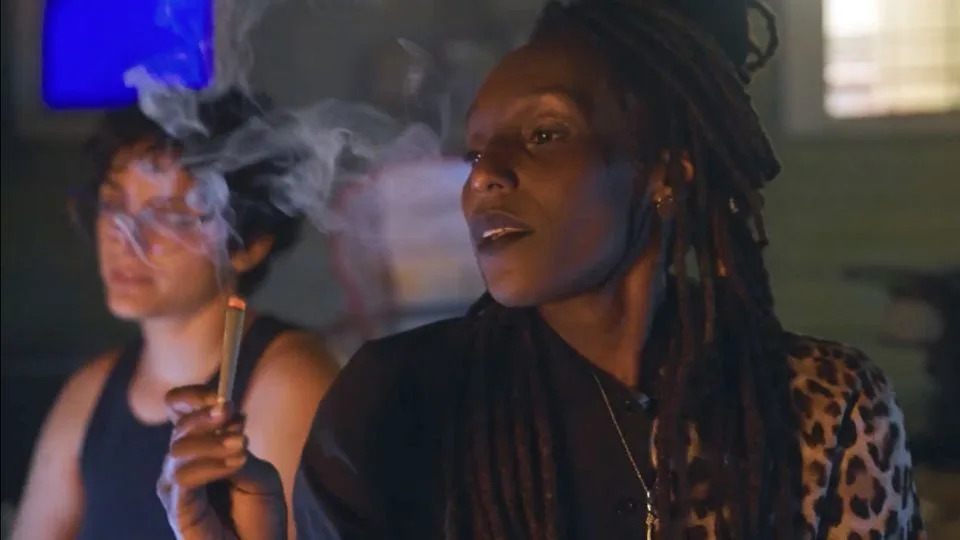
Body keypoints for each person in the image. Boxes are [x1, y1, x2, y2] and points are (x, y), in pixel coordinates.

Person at [157, 0, 926, 538]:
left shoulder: (822, 409)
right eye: (476, 151)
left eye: (546, 134)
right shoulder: (397, 401)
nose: (485, 176)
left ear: (665, 171)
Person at [11, 90, 340, 540]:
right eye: (114, 204)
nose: (127, 236)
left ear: (249, 244)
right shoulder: (90, 391)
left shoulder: (289, 381)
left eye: (168, 215)